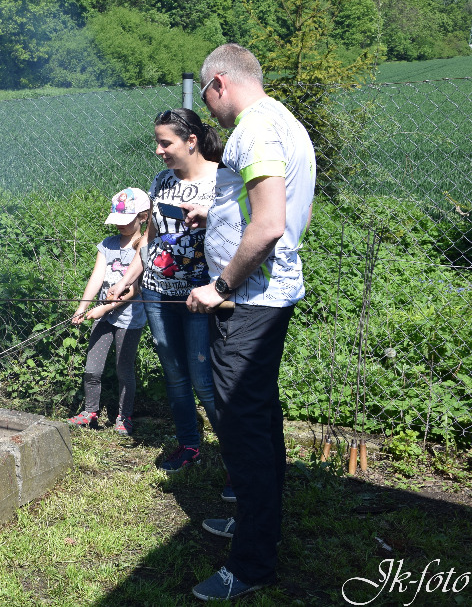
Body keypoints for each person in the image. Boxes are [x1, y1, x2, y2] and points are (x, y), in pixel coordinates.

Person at [185, 44, 315, 601]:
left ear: (219, 82)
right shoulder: (281, 118)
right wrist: (212, 211)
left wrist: (219, 287)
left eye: (208, 96)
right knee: (260, 421)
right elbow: (260, 201)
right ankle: (255, 522)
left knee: (244, 431)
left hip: (250, 302)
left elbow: (266, 226)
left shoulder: (253, 129)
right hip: (262, 298)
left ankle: (253, 564)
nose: (210, 109)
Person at [108, 109, 228, 480]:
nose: (158, 150)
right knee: (175, 375)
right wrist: (131, 278)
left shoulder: (223, 180)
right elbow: (152, 238)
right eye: (157, 142)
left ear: (191, 141)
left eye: (166, 142)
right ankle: (189, 444)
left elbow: (234, 235)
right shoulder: (161, 180)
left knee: (204, 378)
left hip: (198, 297)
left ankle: (233, 453)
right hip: (158, 294)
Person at [67, 188, 150, 435]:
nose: (120, 227)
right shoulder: (107, 245)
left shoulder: (143, 247)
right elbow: (96, 278)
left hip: (129, 320)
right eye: (117, 221)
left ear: (143, 217)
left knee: (124, 370)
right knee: (92, 368)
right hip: (103, 317)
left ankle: (124, 417)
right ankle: (89, 412)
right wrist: (83, 307)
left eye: (126, 221)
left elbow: (134, 290)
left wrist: (103, 308)